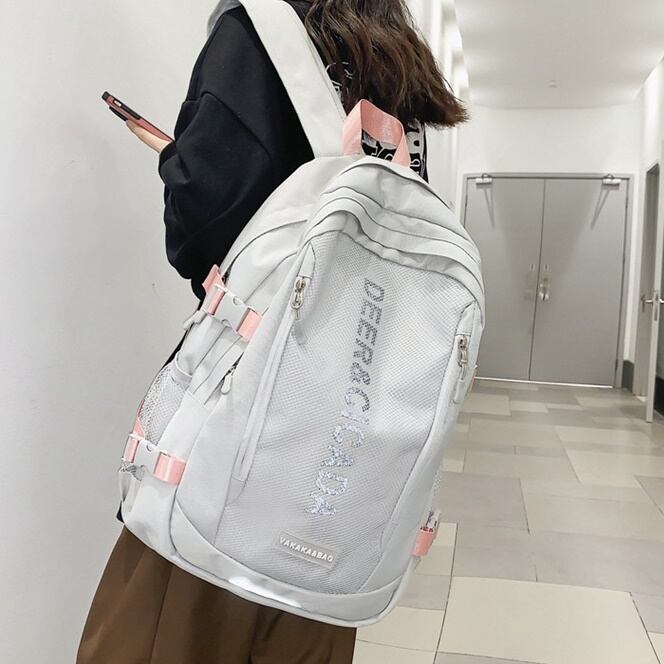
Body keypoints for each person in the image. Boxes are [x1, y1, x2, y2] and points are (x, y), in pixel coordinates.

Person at [77, 1, 467, 662]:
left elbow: (203, 224)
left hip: (228, 463)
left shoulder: (257, 33)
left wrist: (177, 162)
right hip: (341, 485)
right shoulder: (396, 65)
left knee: (158, 634)